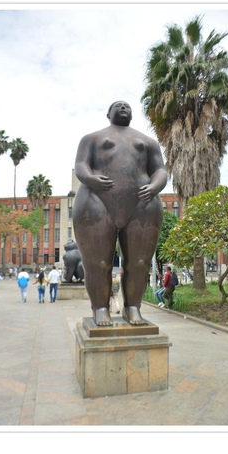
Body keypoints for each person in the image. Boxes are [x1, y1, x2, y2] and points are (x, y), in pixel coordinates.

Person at [72, 100, 167, 326]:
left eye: (127, 106)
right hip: (96, 200)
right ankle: (100, 308)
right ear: (108, 113)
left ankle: (133, 307)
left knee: (140, 261)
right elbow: (81, 166)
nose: (123, 107)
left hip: (142, 202)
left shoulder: (147, 141)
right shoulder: (92, 139)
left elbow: (160, 170)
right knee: (98, 262)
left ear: (132, 115)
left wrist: (154, 186)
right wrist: (91, 178)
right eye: (118, 105)